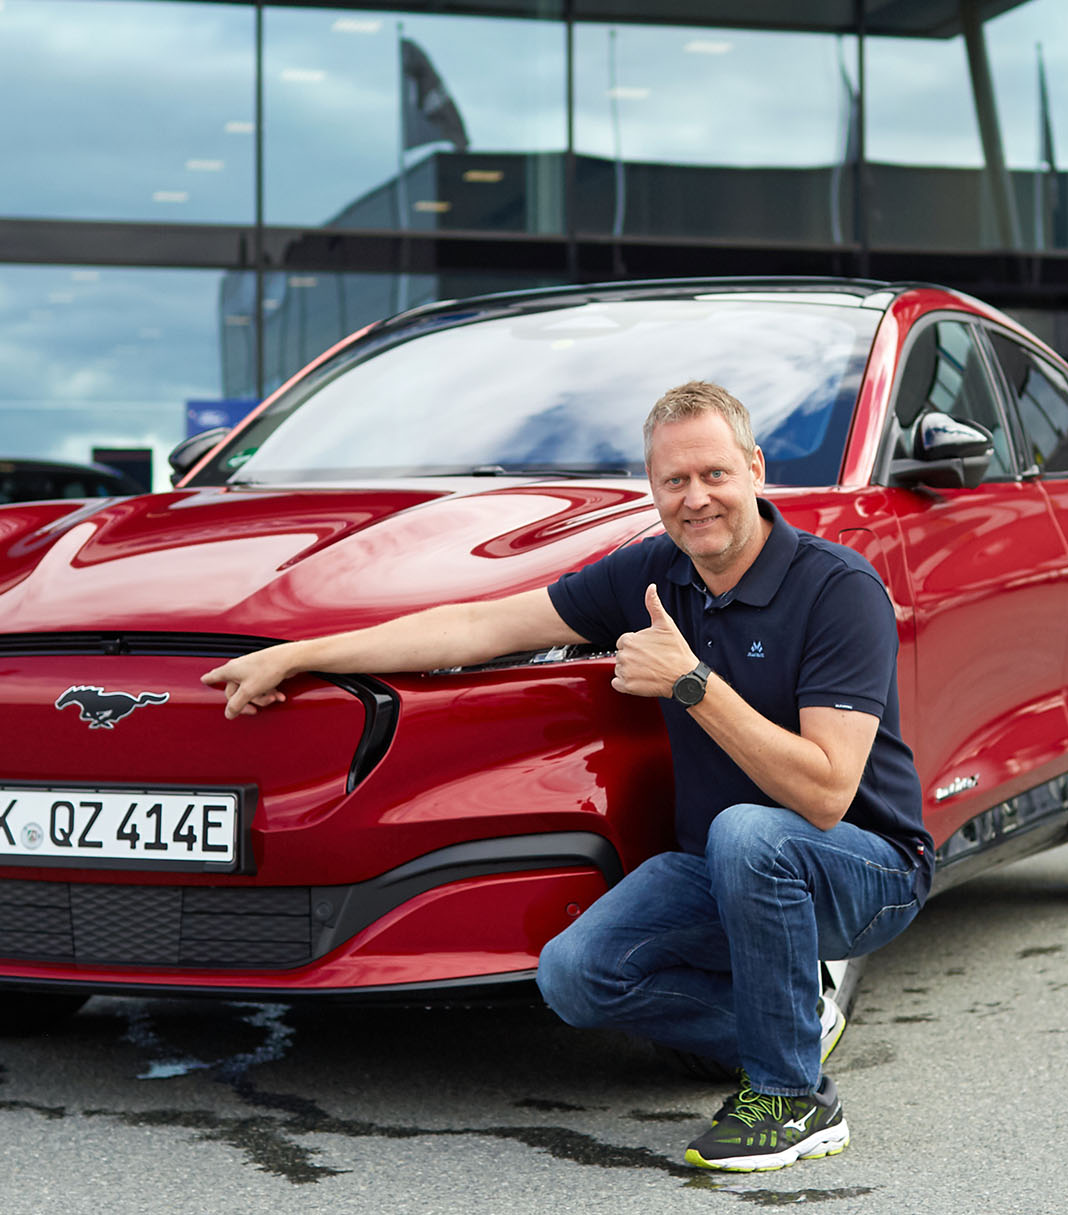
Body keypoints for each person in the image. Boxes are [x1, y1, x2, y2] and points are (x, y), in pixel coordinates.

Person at [201, 380, 929, 1173]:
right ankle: (790, 1015)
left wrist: (691, 683)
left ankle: (794, 1098)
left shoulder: (838, 589)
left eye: (715, 474)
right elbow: (482, 624)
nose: (696, 499)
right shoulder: (656, 573)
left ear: (754, 469)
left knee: (748, 830)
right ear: (651, 488)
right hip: (726, 870)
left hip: (865, 864)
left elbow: (825, 792)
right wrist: (303, 653)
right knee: (576, 975)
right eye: (674, 481)